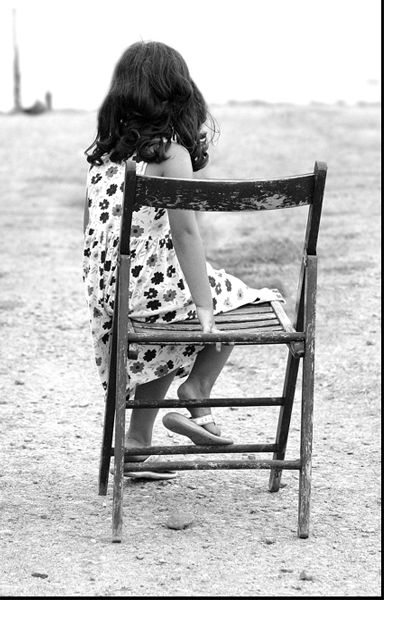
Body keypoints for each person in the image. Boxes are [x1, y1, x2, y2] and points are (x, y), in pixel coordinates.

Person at [83, 41, 282, 478]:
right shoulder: (169, 153)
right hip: (149, 290)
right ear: (176, 92)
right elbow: (185, 231)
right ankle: (197, 389)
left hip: (112, 290)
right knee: (247, 299)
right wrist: (205, 305)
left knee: (166, 322)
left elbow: (92, 230)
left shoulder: (103, 153)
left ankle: (137, 443)